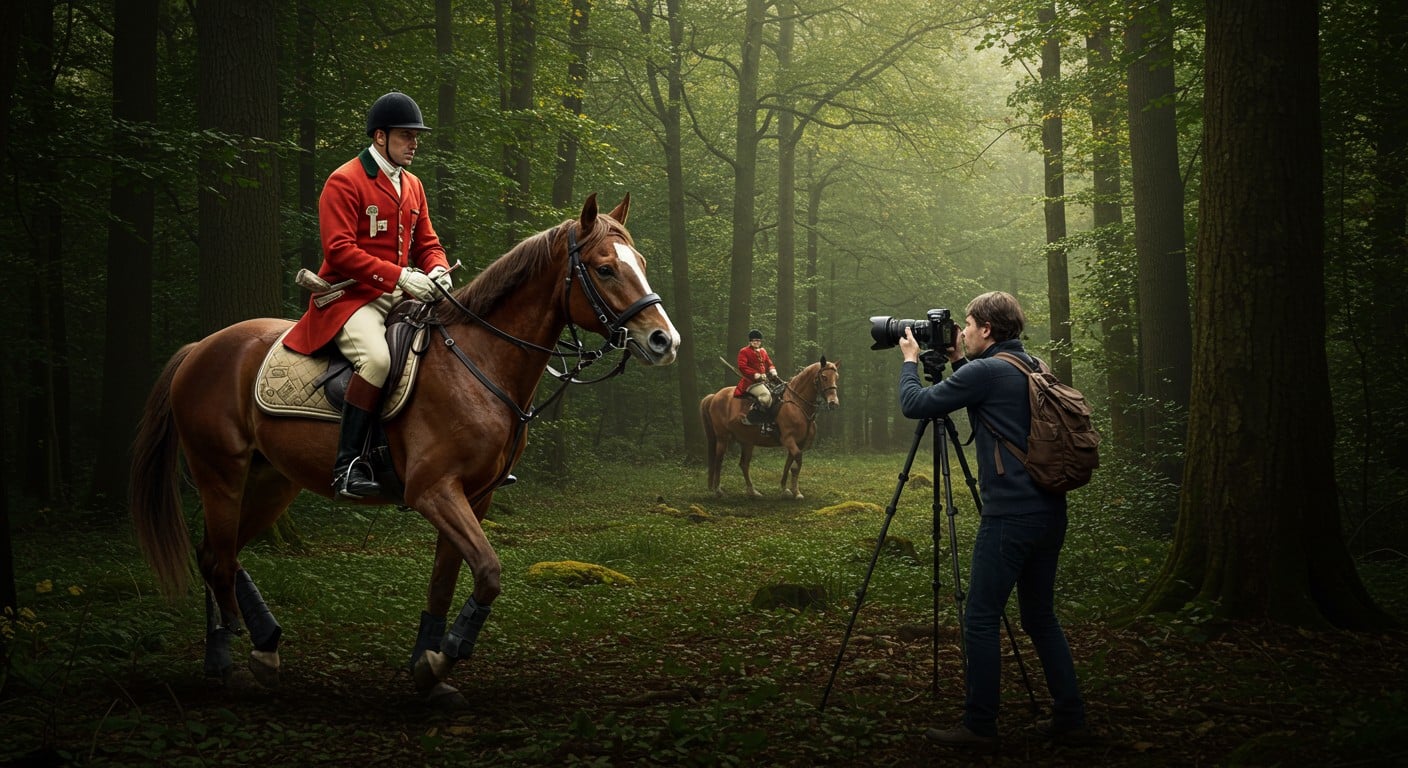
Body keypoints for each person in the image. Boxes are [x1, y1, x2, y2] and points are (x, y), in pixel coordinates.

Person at [895, 290, 1086, 748]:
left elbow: (916, 404)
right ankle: (1072, 717)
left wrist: (908, 361)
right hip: (1049, 511)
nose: (960, 329)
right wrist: (961, 360)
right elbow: (992, 402)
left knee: (980, 618)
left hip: (1009, 516)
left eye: (967, 323)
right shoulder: (1031, 365)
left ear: (987, 329)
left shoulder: (986, 371)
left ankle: (980, 725)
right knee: (1040, 617)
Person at [283, 91, 453, 499]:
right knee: (377, 360)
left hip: (401, 295)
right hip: (350, 298)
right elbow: (338, 251)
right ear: (380, 137)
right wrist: (401, 278)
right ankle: (347, 467)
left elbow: (428, 243)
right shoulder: (345, 180)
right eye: (406, 135)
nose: (415, 143)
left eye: (416, 136)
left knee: (448, 344)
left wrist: (438, 271)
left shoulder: (412, 185)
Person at [733, 329, 780, 431]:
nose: (756, 342)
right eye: (754, 340)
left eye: (758, 340)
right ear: (750, 341)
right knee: (766, 397)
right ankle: (756, 415)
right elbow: (742, 367)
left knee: (778, 394)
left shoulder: (763, 351)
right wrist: (756, 375)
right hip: (750, 382)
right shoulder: (744, 351)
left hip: (764, 381)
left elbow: (769, 363)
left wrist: (773, 372)